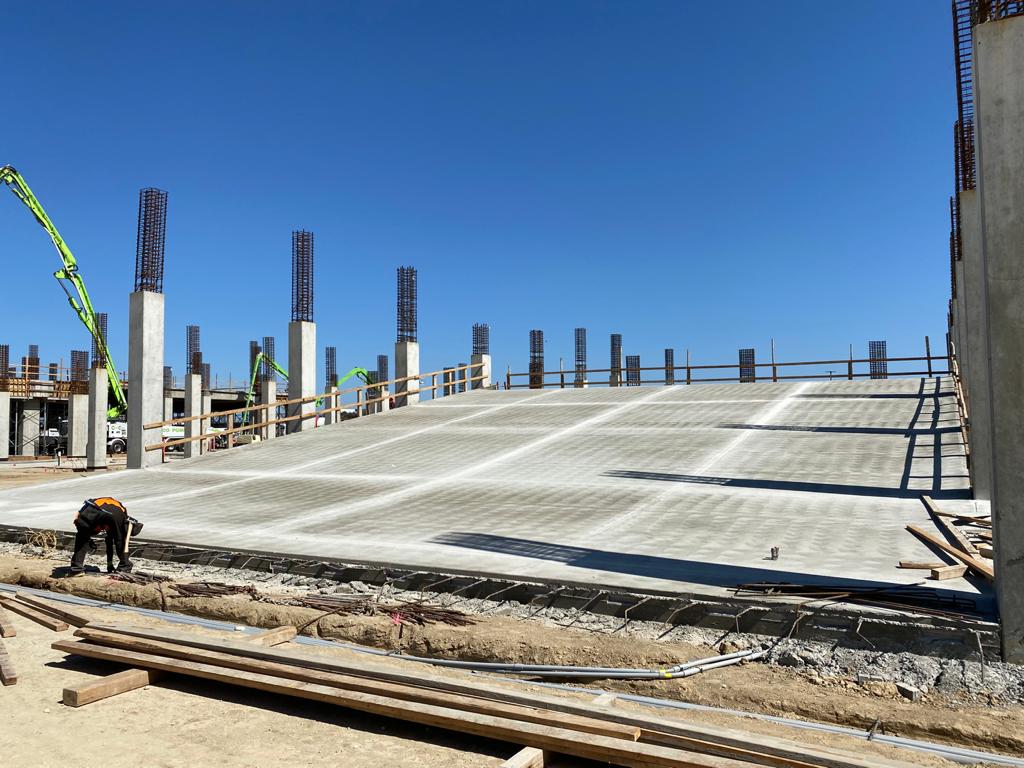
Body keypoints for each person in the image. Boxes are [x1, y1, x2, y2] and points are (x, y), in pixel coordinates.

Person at [69, 497, 142, 574]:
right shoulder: (120, 515)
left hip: (88, 511)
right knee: (120, 541)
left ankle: (76, 568)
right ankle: (125, 566)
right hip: (108, 513)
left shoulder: (109, 508)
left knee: (82, 537)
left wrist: (109, 565)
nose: (102, 531)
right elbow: (117, 542)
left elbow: (109, 543)